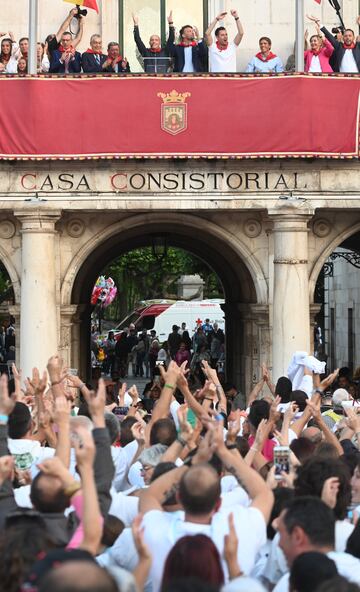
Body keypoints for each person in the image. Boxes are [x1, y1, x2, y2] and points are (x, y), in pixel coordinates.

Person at [273, 496, 360, 591]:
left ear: (297, 536)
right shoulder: (356, 569)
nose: (279, 544)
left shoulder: (289, 582)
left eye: (280, 533)